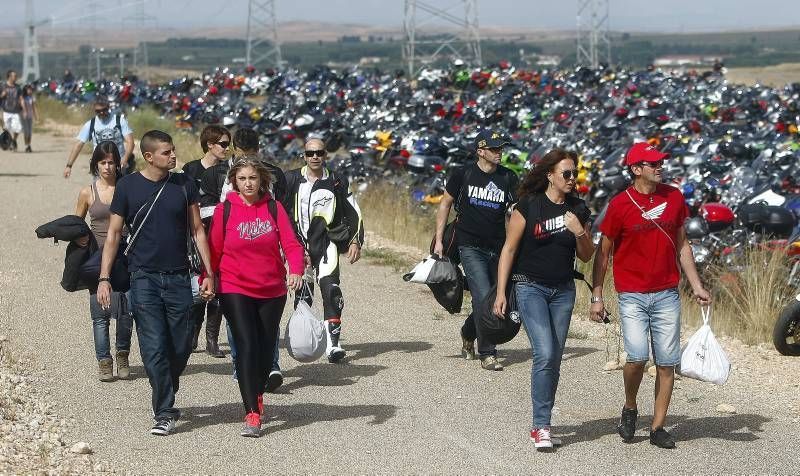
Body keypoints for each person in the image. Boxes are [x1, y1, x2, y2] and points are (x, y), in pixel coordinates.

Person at [590, 142, 711, 449]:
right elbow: (603, 253)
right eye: (653, 163)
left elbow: (682, 244)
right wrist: (597, 294)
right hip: (631, 293)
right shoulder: (620, 205)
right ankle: (630, 406)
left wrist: (696, 285)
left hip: (667, 293)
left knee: (667, 362)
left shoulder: (674, 197)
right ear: (636, 169)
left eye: (661, 163)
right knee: (637, 357)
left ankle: (658, 427)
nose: (660, 167)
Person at [97, 130, 214, 436]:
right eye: (166, 152)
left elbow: (198, 230)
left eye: (173, 150)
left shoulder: (185, 184)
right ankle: (164, 411)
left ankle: (165, 385)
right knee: (152, 347)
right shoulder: (128, 186)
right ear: (148, 156)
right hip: (143, 278)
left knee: (180, 345)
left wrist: (209, 273)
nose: (173, 156)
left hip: (179, 276)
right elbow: (113, 235)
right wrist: (104, 278)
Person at [493, 149, 593, 450]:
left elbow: (587, 255)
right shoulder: (530, 205)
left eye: (575, 173)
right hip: (529, 286)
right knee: (545, 352)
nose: (572, 178)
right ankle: (540, 426)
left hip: (563, 291)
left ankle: (544, 422)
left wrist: (579, 233)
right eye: (566, 173)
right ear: (550, 175)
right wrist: (500, 293)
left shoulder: (578, 209)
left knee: (555, 358)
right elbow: (509, 249)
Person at [206, 159, 304, 437]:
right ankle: (252, 412)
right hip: (234, 285)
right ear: (234, 182)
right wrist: (207, 277)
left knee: (264, 349)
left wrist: (295, 270)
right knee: (246, 344)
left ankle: (256, 393)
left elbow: (291, 244)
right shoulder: (224, 211)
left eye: (252, 178)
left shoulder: (273, 208)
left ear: (262, 181)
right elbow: (213, 250)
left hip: (272, 289)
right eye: (242, 178)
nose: (248, 183)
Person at [200, 127, 287, 386]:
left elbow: (282, 212)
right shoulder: (216, 175)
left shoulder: (274, 175)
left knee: (267, 322)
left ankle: (270, 365)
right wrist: (226, 214)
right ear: (234, 150)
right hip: (231, 252)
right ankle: (242, 365)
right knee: (238, 322)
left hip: (266, 250)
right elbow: (203, 210)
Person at [433, 129, 519, 371]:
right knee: (482, 297)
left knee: (492, 299)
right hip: (469, 246)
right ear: (480, 151)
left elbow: (517, 211)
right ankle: (488, 353)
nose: (499, 152)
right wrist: (439, 240)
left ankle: (468, 331)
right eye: (494, 149)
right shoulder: (463, 174)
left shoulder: (508, 178)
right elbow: (445, 203)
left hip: (498, 248)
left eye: (501, 148)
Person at [283, 137, 365, 365]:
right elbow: (279, 212)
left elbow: (354, 211)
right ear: (304, 156)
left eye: (319, 152)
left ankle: (333, 344)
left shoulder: (336, 180)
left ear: (325, 154)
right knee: (303, 296)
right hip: (298, 247)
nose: (315, 157)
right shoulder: (291, 179)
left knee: (331, 290)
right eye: (310, 154)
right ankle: (305, 342)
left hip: (327, 243)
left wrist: (356, 241)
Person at [74, 141, 134, 382]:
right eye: (103, 162)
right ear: (95, 164)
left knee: (126, 310)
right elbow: (76, 223)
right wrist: (79, 242)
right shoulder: (88, 192)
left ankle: (122, 355)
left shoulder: (126, 188)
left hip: (126, 256)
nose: (108, 167)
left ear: (118, 163)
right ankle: (104, 361)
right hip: (97, 259)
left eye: (111, 162)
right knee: (100, 314)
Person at [182, 125, 230, 357]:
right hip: (196, 235)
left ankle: (212, 339)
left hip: (222, 236)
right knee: (198, 284)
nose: (226, 148)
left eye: (228, 143)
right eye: (222, 143)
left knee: (219, 286)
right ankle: (192, 333)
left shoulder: (228, 171)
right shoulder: (190, 169)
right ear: (209, 144)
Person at [64, 97, 134, 178]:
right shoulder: (90, 124)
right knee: (100, 190)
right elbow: (79, 145)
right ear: (94, 110)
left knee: (121, 189)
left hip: (119, 164)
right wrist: (69, 166)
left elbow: (130, 142)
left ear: (108, 107)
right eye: (98, 111)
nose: (101, 112)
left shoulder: (119, 121)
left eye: (104, 110)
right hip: (100, 166)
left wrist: (125, 159)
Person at [0, 70, 23, 152]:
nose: (16, 77)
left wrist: (24, 109)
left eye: (16, 76)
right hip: (6, 111)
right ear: (9, 77)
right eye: (14, 76)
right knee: (7, 128)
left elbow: (21, 98)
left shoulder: (18, 87)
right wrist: (2, 95)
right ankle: (9, 143)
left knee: (18, 128)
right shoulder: (3, 86)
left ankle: (14, 140)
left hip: (15, 111)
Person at [20, 84, 38, 153]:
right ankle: (26, 145)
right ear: (25, 90)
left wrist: (36, 115)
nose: (30, 91)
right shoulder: (22, 97)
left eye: (31, 89)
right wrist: (24, 112)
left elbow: (34, 107)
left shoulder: (32, 97)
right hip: (24, 116)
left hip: (30, 116)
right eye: (28, 89)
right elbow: (22, 104)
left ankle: (29, 145)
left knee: (30, 132)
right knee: (26, 132)